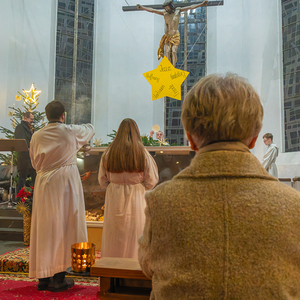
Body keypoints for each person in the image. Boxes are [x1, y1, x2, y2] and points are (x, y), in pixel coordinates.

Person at [138, 73, 300, 299]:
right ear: (254, 139)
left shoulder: (161, 200)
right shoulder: (293, 205)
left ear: (190, 139)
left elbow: (148, 266)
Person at [29, 100, 94, 292]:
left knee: (45, 227)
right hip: (65, 182)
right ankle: (58, 278)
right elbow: (90, 129)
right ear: (63, 115)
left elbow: (34, 162)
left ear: (46, 115)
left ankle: (43, 277)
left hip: (43, 182)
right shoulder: (70, 131)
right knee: (64, 226)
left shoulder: (36, 135)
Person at [98, 118, 158, 259]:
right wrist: (138, 185)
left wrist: (114, 184)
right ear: (136, 133)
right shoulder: (142, 153)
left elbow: (102, 179)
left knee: (114, 234)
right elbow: (152, 180)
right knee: (135, 233)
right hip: (136, 196)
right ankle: (133, 269)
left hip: (114, 196)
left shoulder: (109, 153)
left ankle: (112, 268)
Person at [137, 0, 208, 66]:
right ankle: (169, 68)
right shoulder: (164, 13)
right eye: (165, 8)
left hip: (175, 35)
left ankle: (173, 67)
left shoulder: (178, 10)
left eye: (167, 8)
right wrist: (142, 7)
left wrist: (201, 4)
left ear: (170, 6)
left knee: (173, 51)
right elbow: (153, 10)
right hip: (167, 36)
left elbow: (190, 7)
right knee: (167, 52)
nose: (166, 9)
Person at [14, 112, 36, 193]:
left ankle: (34, 197)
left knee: (35, 177)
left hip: (32, 156)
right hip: (24, 157)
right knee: (22, 178)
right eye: (31, 119)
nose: (33, 121)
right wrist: (29, 147)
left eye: (33, 119)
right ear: (25, 118)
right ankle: (18, 198)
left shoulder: (31, 128)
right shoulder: (20, 127)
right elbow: (21, 141)